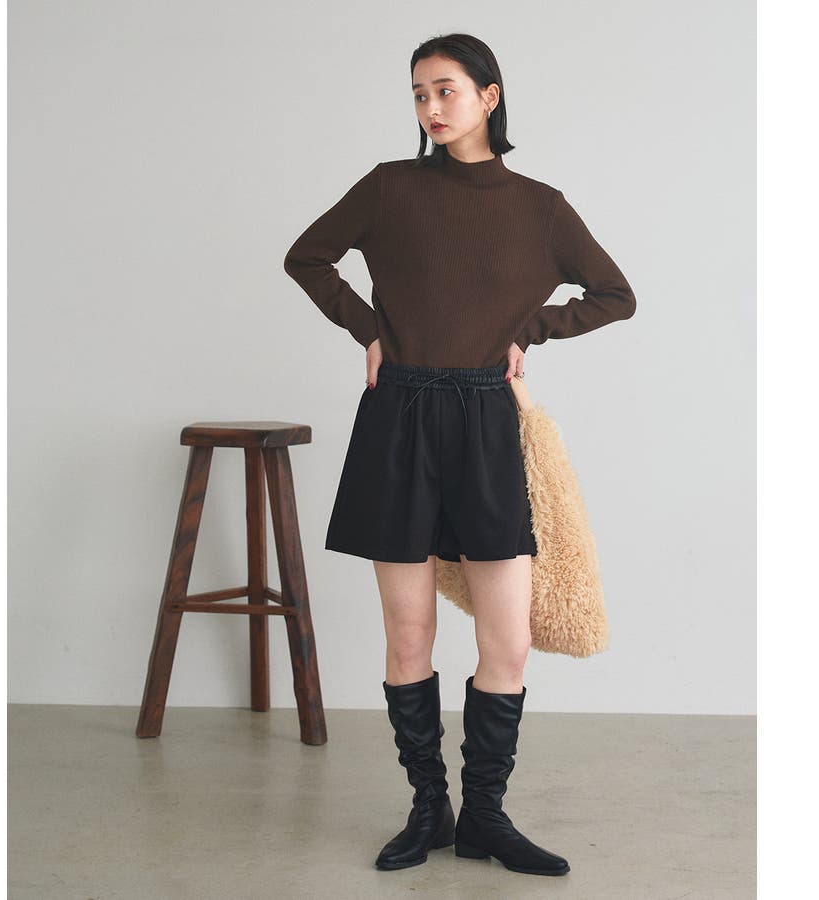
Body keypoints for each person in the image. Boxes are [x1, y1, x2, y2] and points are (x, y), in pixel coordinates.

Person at [283, 33, 636, 877]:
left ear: (489, 95)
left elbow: (614, 294)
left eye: (445, 90)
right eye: (418, 94)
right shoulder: (390, 187)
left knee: (506, 643)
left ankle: (484, 817)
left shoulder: (540, 207)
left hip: (486, 423)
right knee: (409, 635)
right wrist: (369, 331)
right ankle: (427, 809)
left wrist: (531, 328)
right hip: (398, 417)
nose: (430, 108)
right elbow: (307, 257)